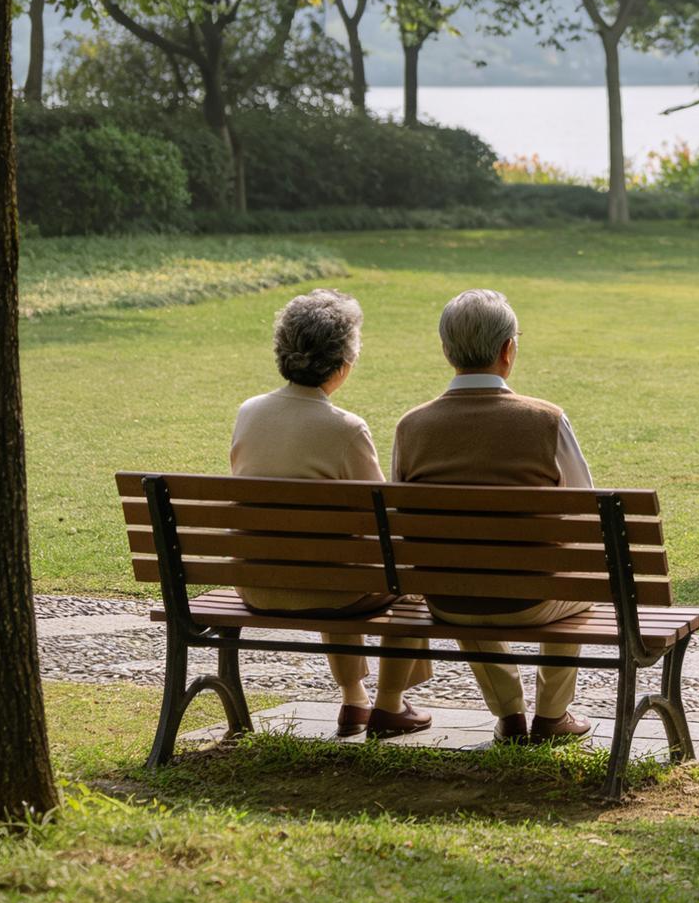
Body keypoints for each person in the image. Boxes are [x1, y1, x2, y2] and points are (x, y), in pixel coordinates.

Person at [392, 288, 593, 746]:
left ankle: (509, 716)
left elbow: (404, 519)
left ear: (447, 352)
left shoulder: (412, 426)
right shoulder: (546, 420)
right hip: (533, 598)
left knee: (461, 571)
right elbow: (585, 509)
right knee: (575, 576)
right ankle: (551, 715)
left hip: (451, 599)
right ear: (508, 350)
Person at [230, 288, 431, 740]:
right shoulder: (345, 428)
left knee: (336, 563)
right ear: (342, 363)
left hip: (258, 583)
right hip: (324, 587)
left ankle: (353, 700)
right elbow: (385, 518)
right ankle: (388, 706)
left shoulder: (249, 413)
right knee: (406, 580)